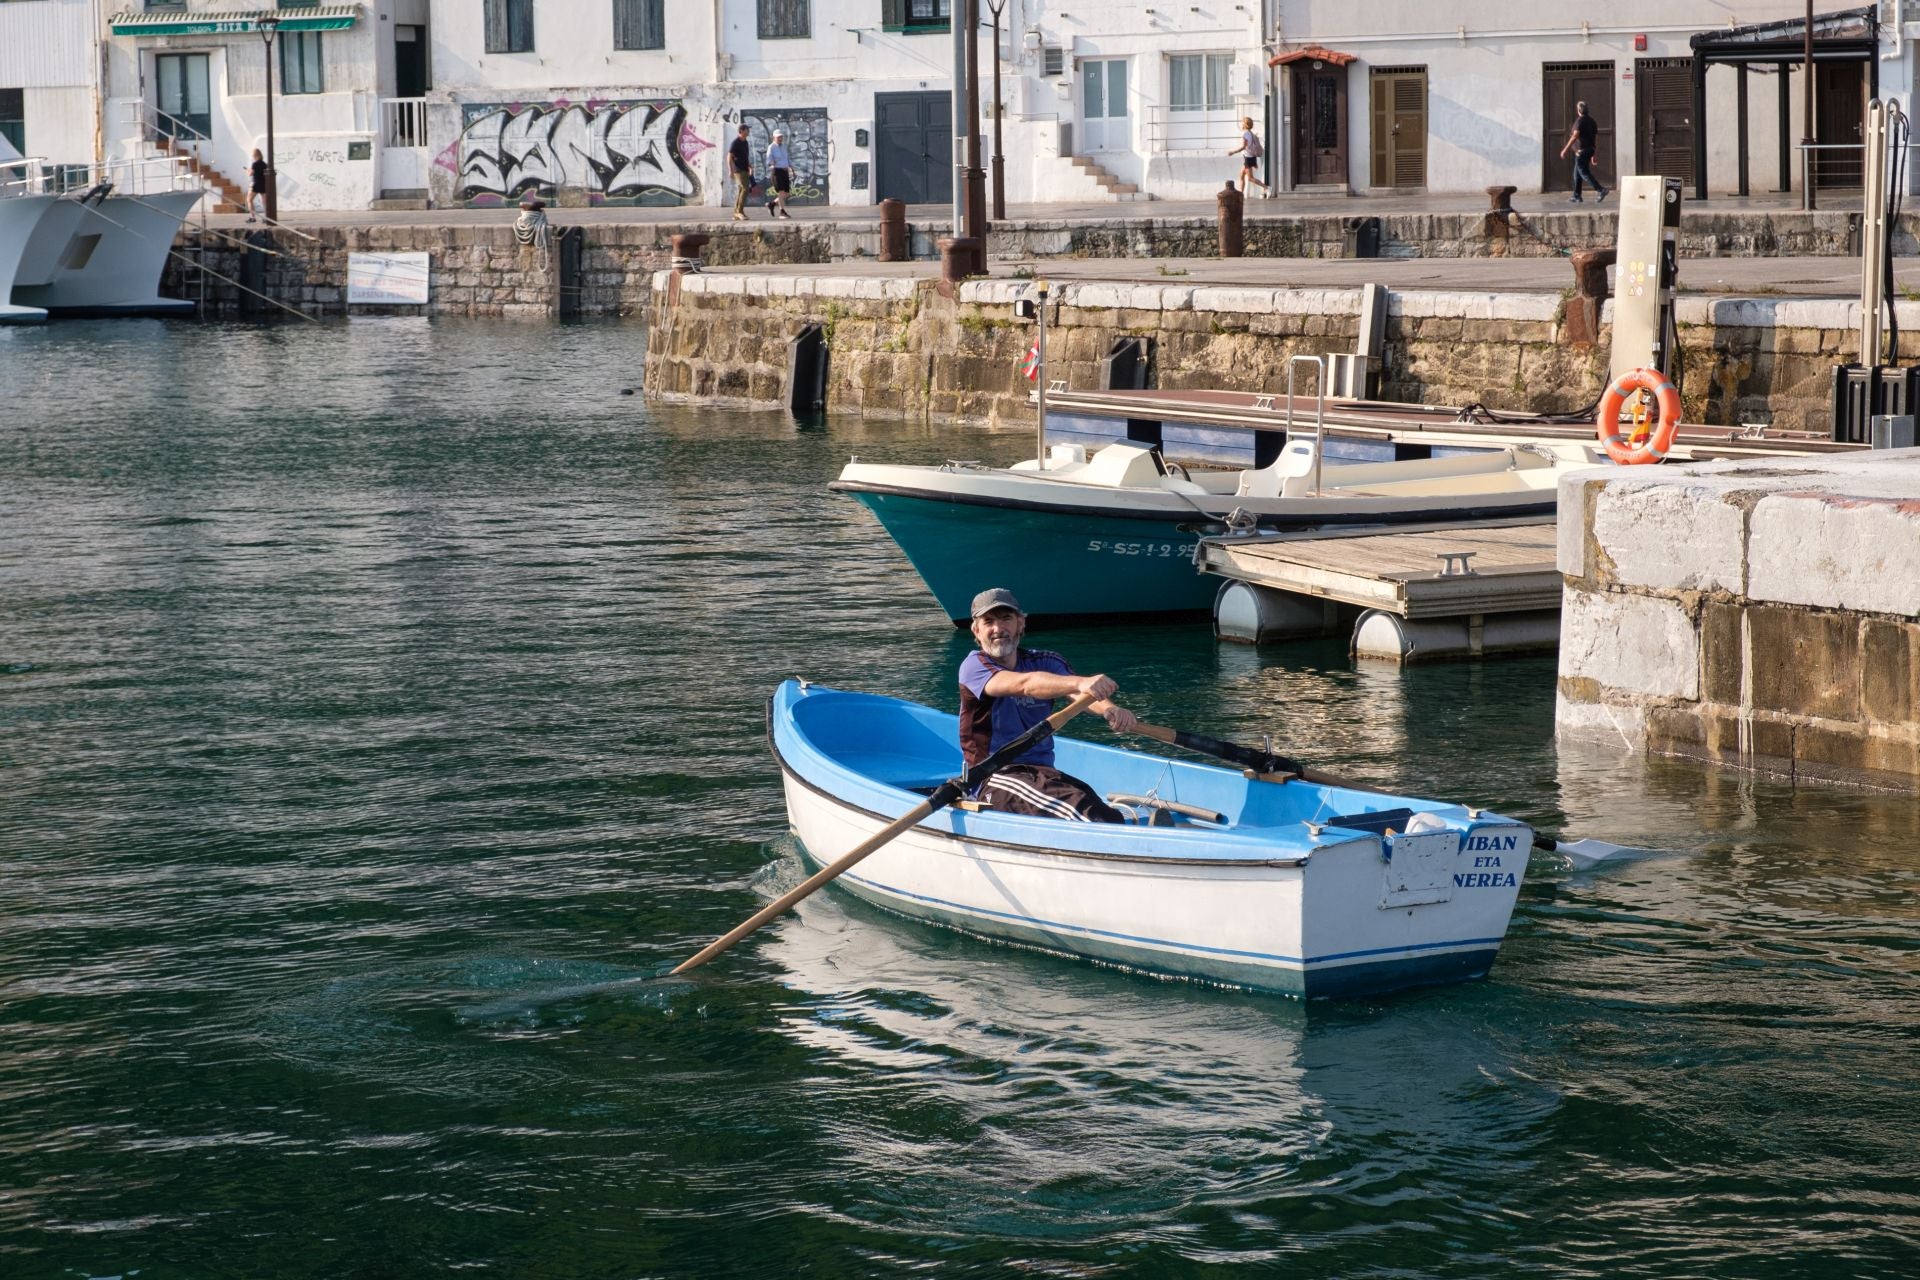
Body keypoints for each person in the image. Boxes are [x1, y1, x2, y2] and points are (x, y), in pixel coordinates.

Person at [958, 588, 1138, 823]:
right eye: (988, 621)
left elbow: (1078, 693)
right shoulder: (974, 667)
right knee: (1089, 814)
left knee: (1088, 799)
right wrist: (1083, 682)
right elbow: (1026, 684)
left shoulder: (1045, 661)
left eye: (1006, 619)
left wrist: (1110, 710)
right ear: (976, 630)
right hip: (993, 776)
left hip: (1042, 773)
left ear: (1020, 624)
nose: (998, 629)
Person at [1559, 101, 1608, 204]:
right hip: (1589, 150)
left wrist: (1565, 149)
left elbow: (1575, 136)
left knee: (1583, 172)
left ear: (1578, 111)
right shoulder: (1592, 121)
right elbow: (1594, 139)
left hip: (1582, 152)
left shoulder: (1580, 121)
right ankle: (1577, 196)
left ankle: (1601, 190)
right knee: (1576, 174)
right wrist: (1594, 153)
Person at [1228, 117, 1268, 197]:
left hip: (1248, 158)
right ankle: (1241, 194)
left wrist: (1233, 152)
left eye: (1242, 122)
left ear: (1245, 124)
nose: (1241, 124)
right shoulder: (1251, 133)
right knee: (1241, 175)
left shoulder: (1245, 134)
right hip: (1250, 157)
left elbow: (1243, 147)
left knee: (1250, 178)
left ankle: (1266, 187)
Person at [765, 129, 793, 219]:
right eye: (778, 137)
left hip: (785, 171)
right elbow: (768, 160)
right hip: (777, 171)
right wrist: (772, 164)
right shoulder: (771, 147)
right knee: (781, 192)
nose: (780, 138)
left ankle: (771, 204)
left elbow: (787, 158)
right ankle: (782, 212)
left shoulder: (784, 147)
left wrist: (792, 168)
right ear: (774, 137)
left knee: (787, 194)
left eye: (781, 137)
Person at [728, 124, 753, 221]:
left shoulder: (745, 142)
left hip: (745, 169)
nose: (748, 131)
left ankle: (736, 213)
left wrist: (750, 167)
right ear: (742, 131)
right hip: (738, 170)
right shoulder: (736, 142)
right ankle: (739, 211)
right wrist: (731, 170)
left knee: (741, 190)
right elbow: (729, 157)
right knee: (745, 189)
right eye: (747, 130)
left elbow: (745, 157)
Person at [246, 148, 268, 223]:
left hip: (255, 184)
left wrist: (248, 171)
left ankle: (252, 217)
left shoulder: (255, 164)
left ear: (255, 155)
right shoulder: (264, 164)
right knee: (264, 202)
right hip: (263, 184)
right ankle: (266, 218)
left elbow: (250, 174)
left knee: (249, 200)